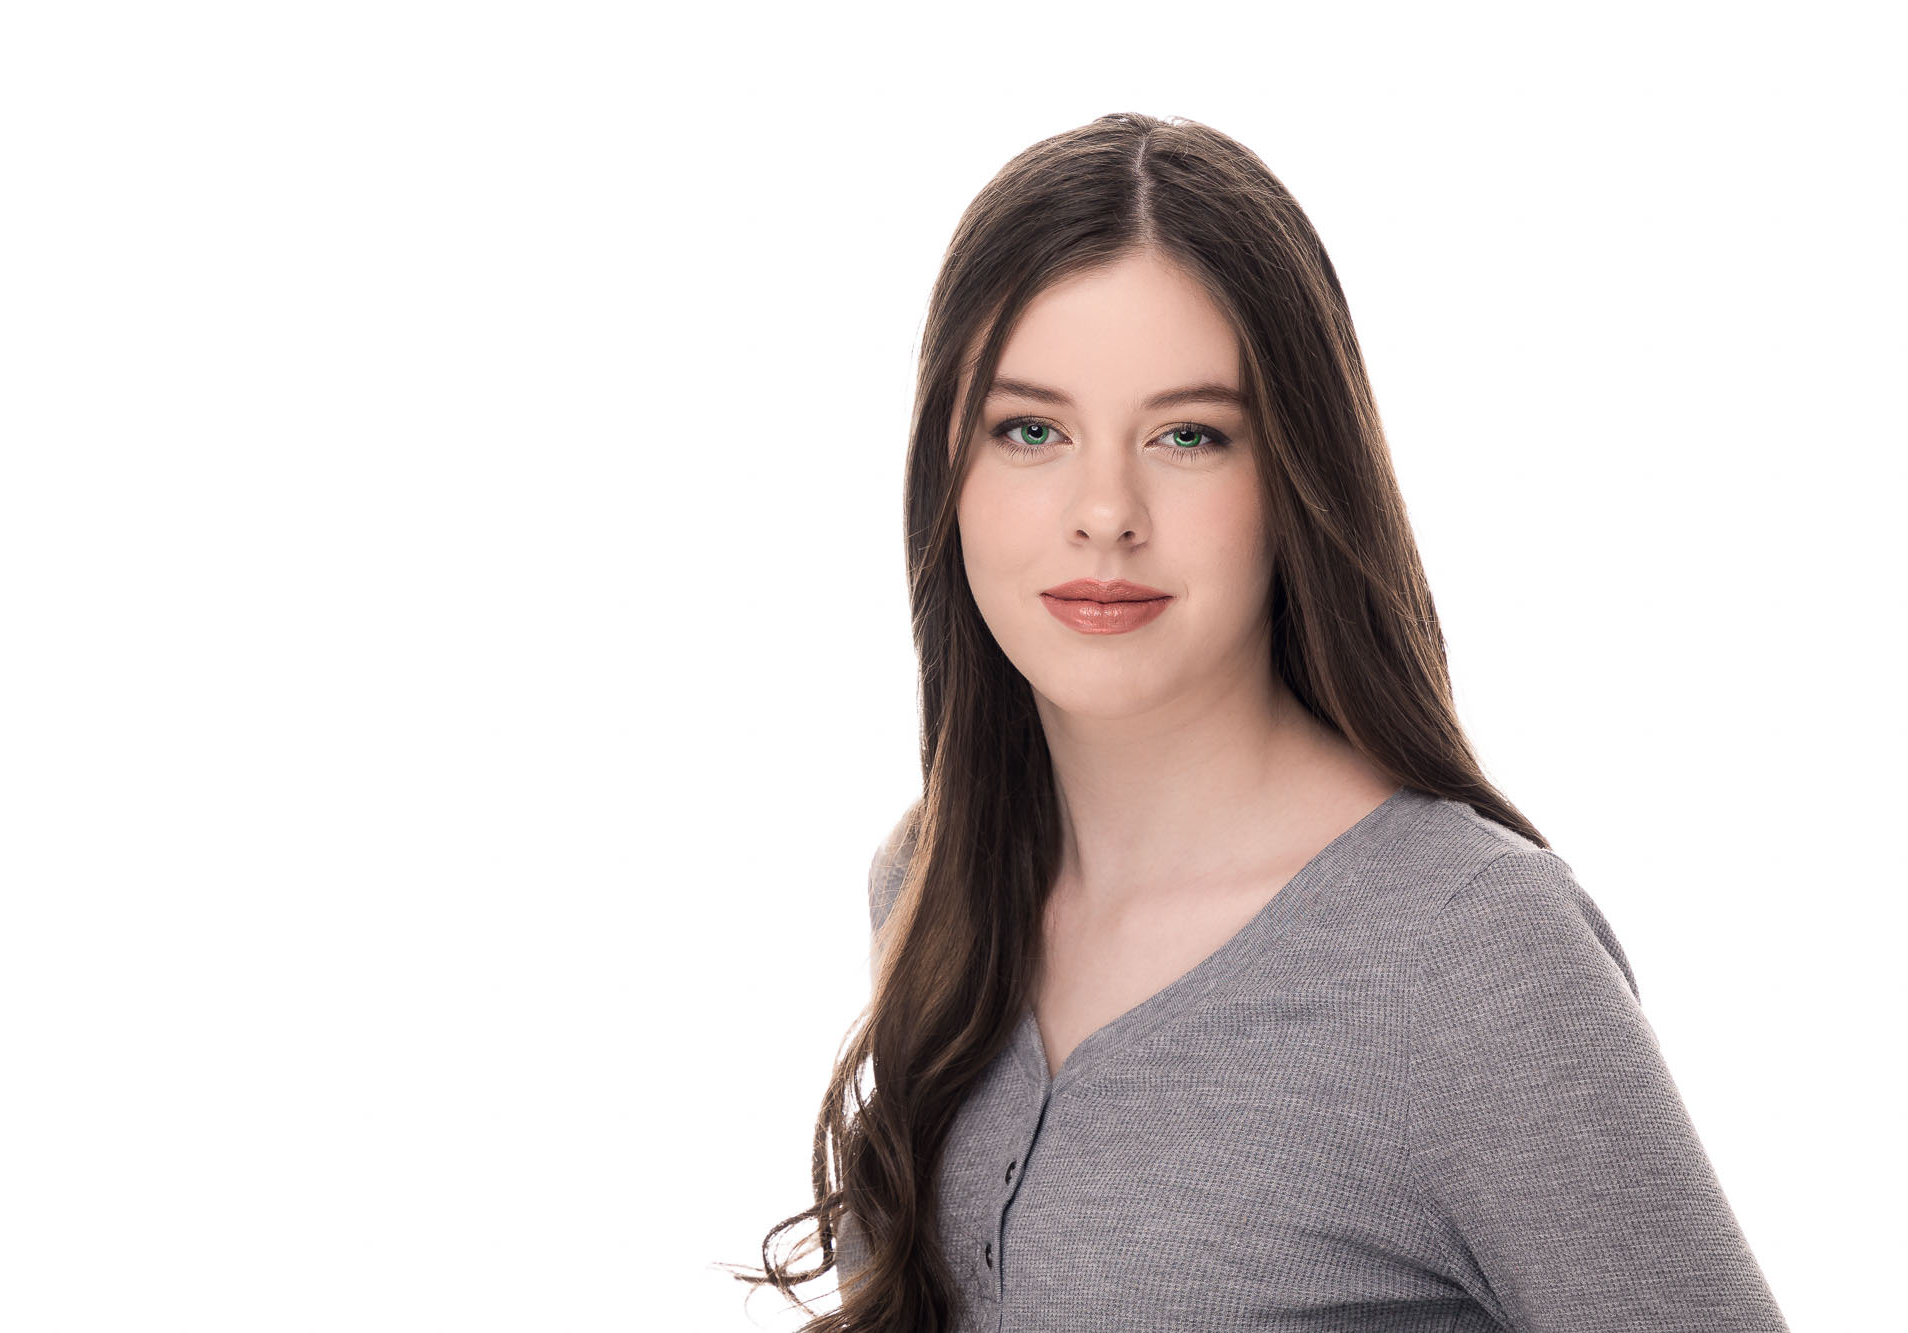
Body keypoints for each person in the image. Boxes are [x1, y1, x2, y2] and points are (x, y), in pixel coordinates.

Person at [732, 112, 1789, 1333]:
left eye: (1188, 435)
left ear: (1292, 474)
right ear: (946, 472)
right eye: (1030, 430)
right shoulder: (930, 883)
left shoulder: (1467, 953)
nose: (1103, 512)